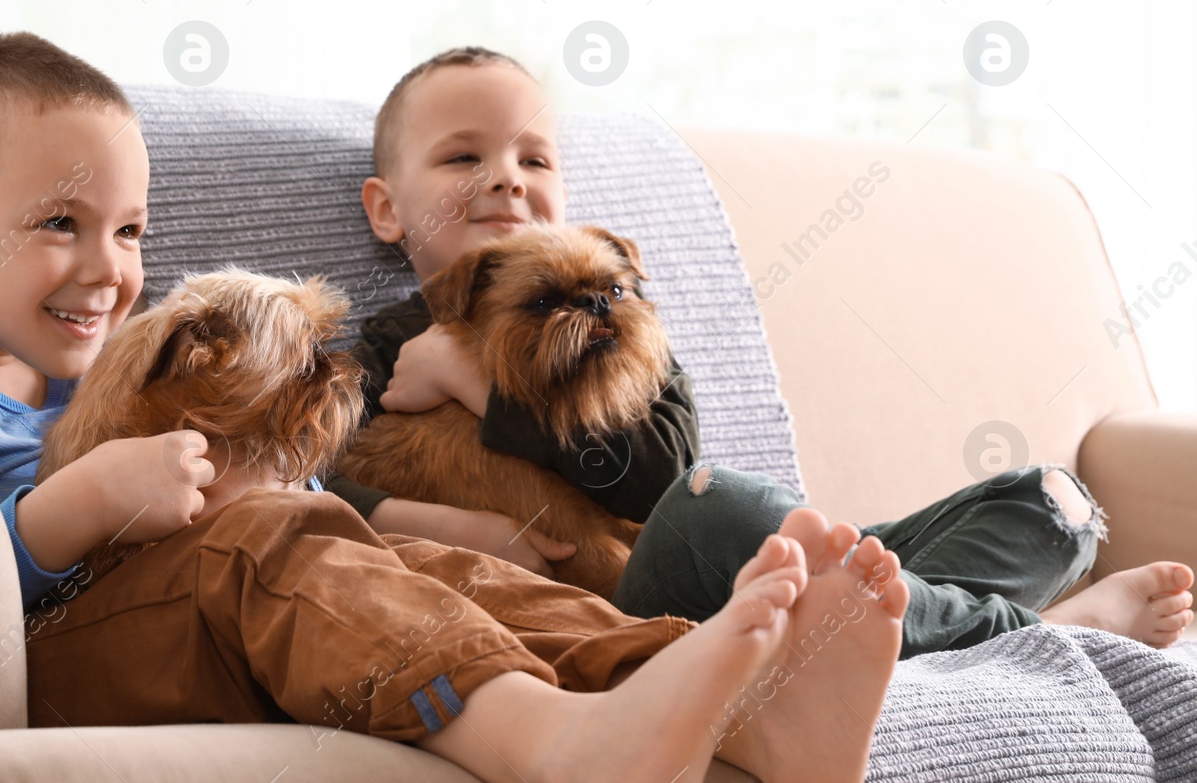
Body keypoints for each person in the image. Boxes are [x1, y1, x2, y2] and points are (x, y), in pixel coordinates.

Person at [0, 31, 909, 783]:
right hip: (35, 655)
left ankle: (736, 701)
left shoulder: (93, 365)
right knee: (273, 546)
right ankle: (560, 747)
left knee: (406, 562)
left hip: (188, 616)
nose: (109, 268)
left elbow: (297, 516)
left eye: (130, 231)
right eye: (59, 222)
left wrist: (313, 496)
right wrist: (73, 506)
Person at [326, 45, 1196, 656]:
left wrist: (480, 388)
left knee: (1049, 503)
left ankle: (854, 627)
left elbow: (658, 471)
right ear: (387, 210)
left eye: (535, 156)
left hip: (730, 557)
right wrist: (434, 524)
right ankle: (1037, 638)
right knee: (720, 507)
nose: (508, 176)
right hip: (621, 611)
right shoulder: (396, 338)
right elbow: (308, 484)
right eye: (463, 156)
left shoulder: (630, 331)